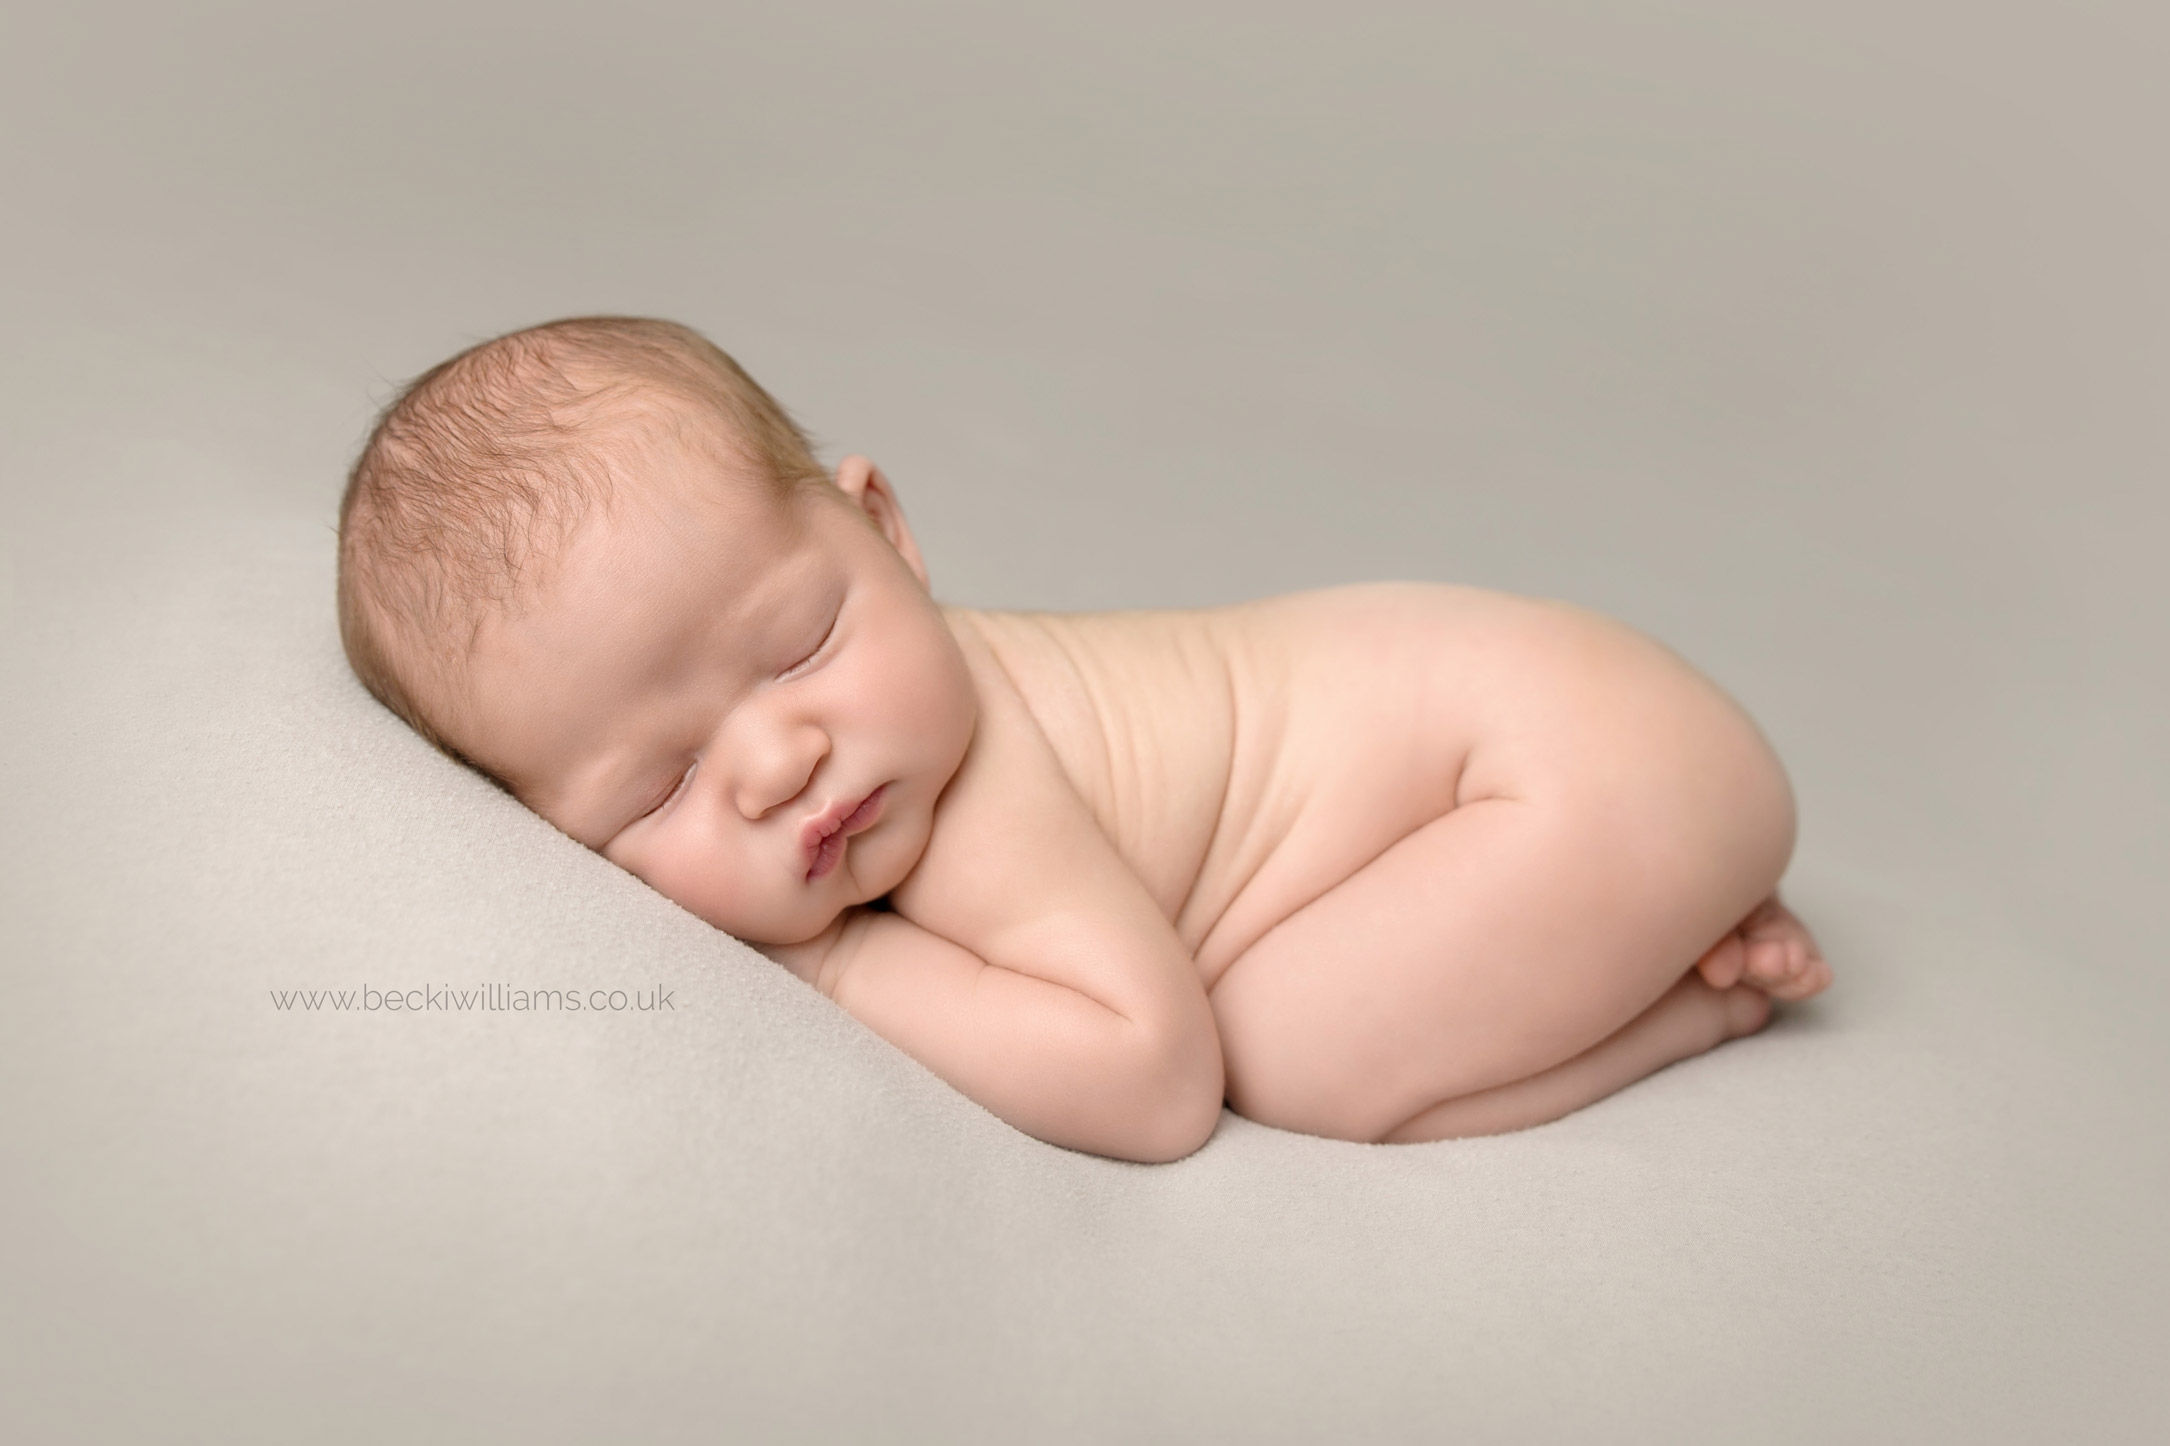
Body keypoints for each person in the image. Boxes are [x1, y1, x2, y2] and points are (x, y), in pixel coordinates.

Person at [337, 316, 1831, 1163]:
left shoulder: (975, 778)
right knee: (1291, 993)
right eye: (658, 784)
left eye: (798, 645)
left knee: (1284, 1051)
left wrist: (843, 958)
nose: (777, 760)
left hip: (1573, 759)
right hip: (1562, 758)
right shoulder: (876, 734)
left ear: (884, 531)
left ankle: (1686, 994)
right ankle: (1642, 922)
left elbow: (1151, 1083)